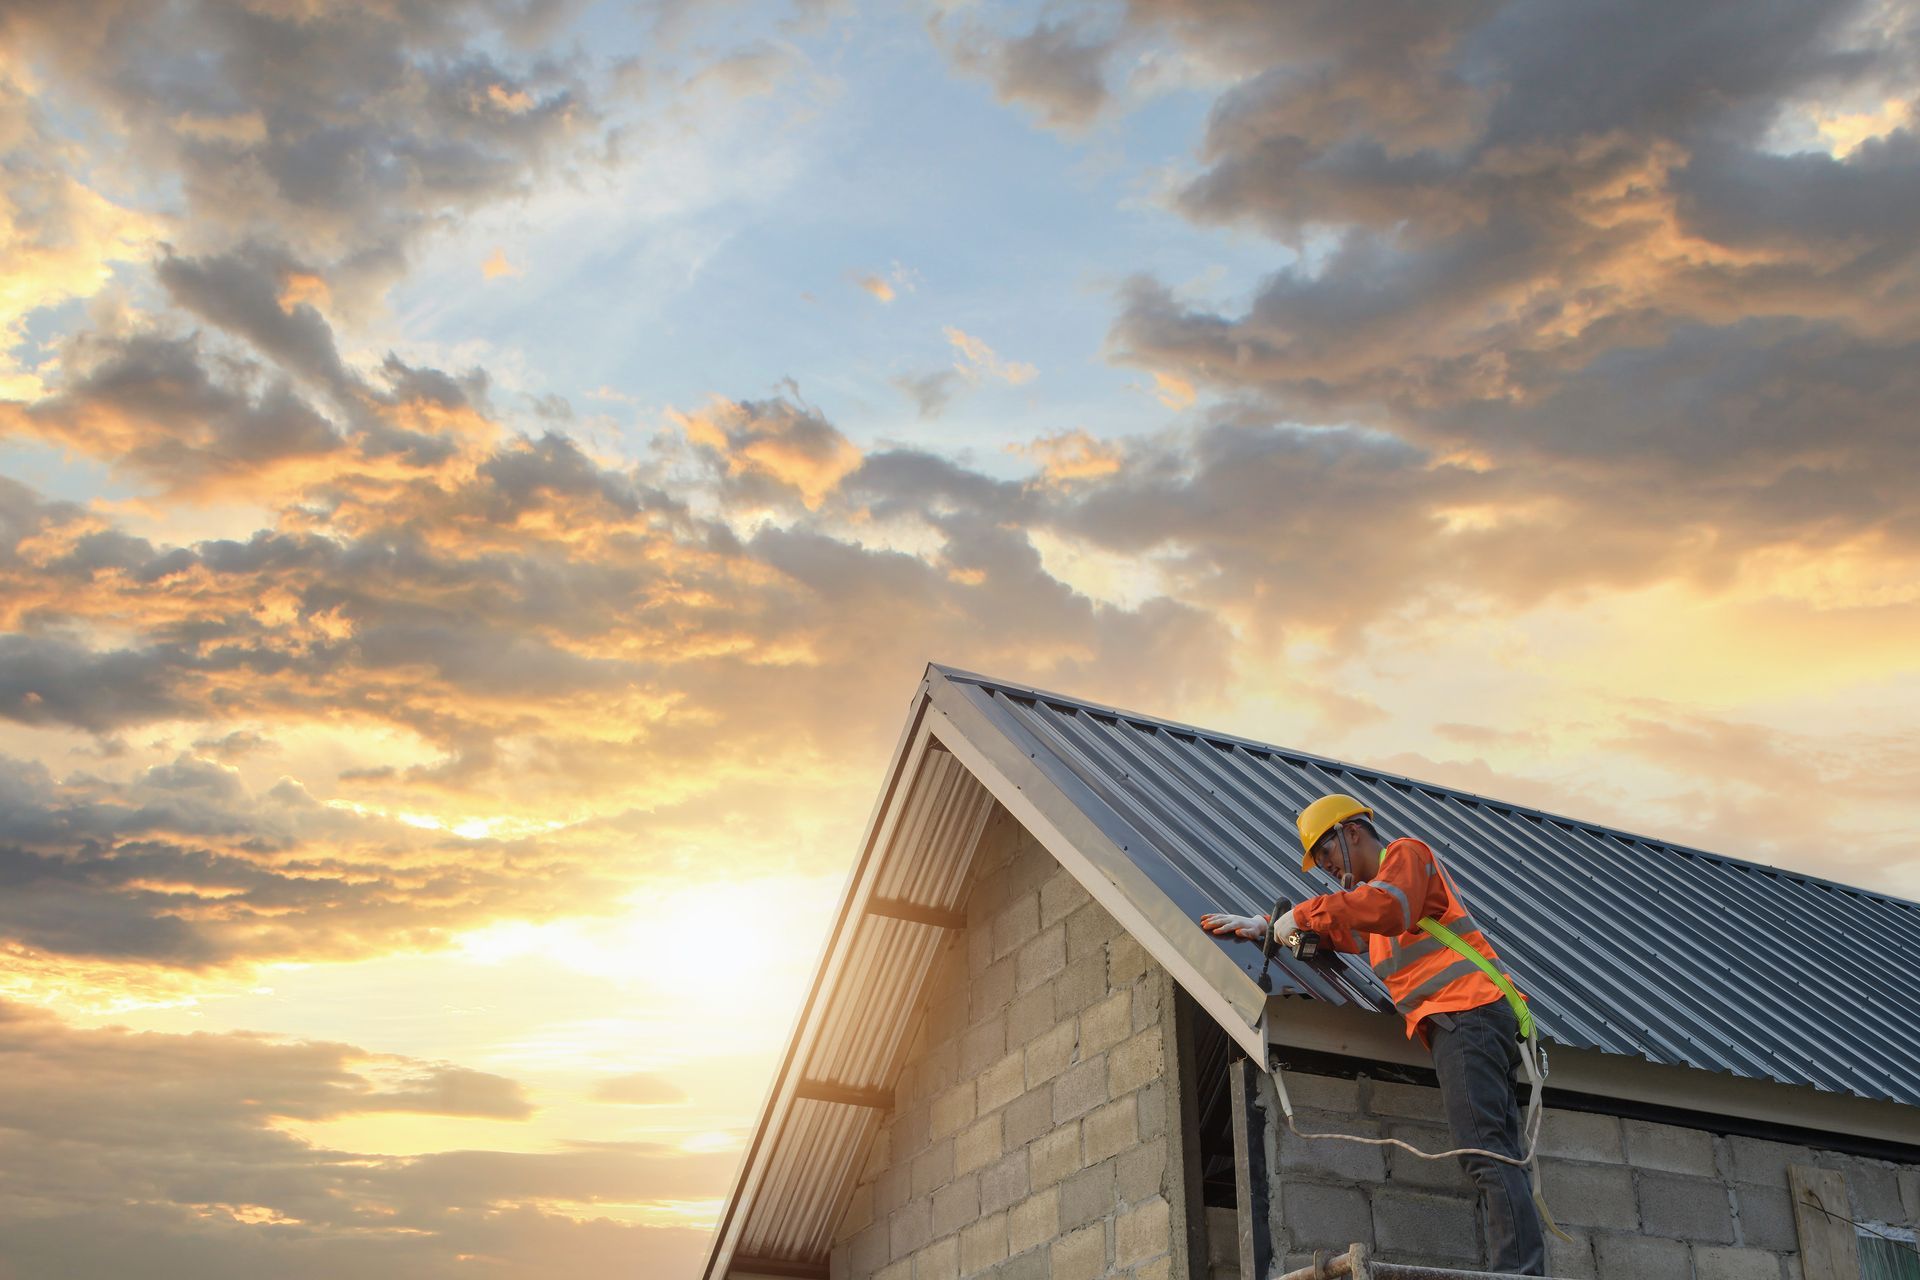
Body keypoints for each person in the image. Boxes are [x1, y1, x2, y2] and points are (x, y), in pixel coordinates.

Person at [1200, 793, 1547, 1275]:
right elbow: (1338, 932)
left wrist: (1298, 915)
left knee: (1483, 1153)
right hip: (1467, 1022)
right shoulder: (1376, 912)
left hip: (1468, 1015)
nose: (1325, 867)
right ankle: (1525, 1270)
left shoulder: (1407, 857)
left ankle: (1522, 1274)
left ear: (1353, 832)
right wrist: (1269, 928)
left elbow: (1383, 907)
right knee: (1496, 1154)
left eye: (1326, 853)